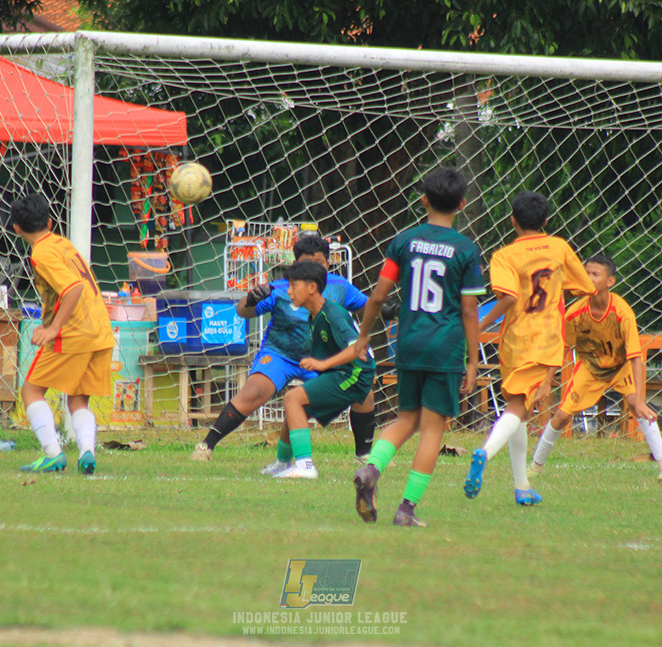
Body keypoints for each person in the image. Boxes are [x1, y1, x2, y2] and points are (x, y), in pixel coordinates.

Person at [351, 168, 486, 527]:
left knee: (406, 419)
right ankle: (406, 509)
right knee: (432, 429)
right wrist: (473, 362)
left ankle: (371, 469)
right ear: (462, 203)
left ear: (424, 200)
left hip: (409, 343)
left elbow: (378, 295)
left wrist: (363, 335)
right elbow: (469, 309)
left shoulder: (404, 241)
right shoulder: (466, 250)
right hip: (445, 347)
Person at [190, 235, 376, 465]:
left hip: (320, 360)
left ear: (328, 264)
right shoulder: (279, 289)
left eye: (319, 264)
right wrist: (250, 300)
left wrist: (388, 311)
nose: (313, 270)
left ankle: (363, 456)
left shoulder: (340, 287)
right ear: (295, 265)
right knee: (253, 392)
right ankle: (206, 446)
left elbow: (368, 306)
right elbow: (242, 312)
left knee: (363, 392)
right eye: (306, 264)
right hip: (281, 355)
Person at [463, 190, 594, 506]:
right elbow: (585, 286)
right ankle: (485, 452)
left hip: (513, 339)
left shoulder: (504, 255)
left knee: (518, 406)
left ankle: (522, 487)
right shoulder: (559, 247)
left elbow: (507, 296)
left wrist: (482, 324)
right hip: (544, 339)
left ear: (513, 221)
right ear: (545, 220)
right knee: (519, 409)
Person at [529, 254, 662, 482]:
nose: (588, 279)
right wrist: (547, 382)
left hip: (620, 367)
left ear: (610, 282)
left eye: (595, 275)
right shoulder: (575, 313)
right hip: (590, 369)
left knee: (638, 407)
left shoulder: (622, 312)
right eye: (585, 274)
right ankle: (535, 467)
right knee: (561, 416)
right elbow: (561, 349)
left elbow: (635, 357)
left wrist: (639, 399)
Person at [11, 193, 114, 475]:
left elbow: (72, 289)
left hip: (74, 333)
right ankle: (87, 451)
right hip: (99, 330)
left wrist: (53, 328)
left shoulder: (42, 253)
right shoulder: (62, 244)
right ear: (50, 222)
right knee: (78, 398)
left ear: (16, 228)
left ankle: (53, 454)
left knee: (31, 390)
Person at [268, 260, 376, 479]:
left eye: (293, 285)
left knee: (292, 399)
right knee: (295, 408)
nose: (289, 292)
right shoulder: (314, 315)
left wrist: (323, 364)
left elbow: (357, 348)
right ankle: (282, 463)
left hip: (354, 374)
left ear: (311, 288)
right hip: (342, 372)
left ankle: (305, 466)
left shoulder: (332, 313)